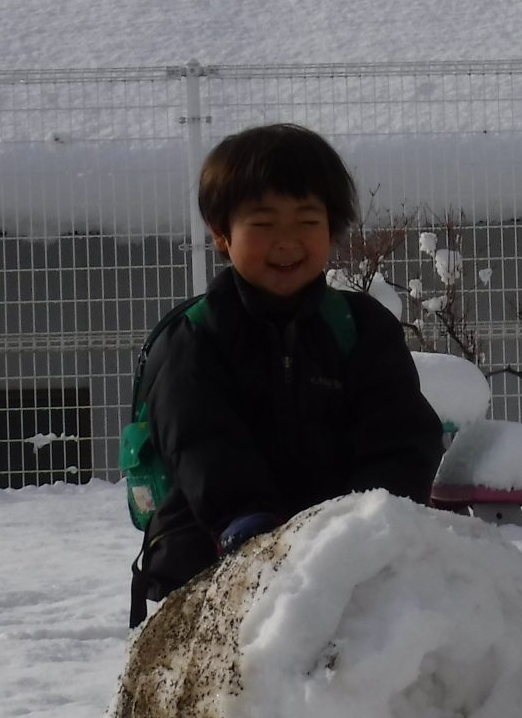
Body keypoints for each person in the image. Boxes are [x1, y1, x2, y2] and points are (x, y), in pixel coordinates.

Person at [129, 122, 444, 625]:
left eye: (307, 221)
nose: (287, 242)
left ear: (331, 228)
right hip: (213, 562)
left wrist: (367, 524)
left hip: (343, 561)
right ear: (221, 234)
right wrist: (251, 530)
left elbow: (399, 435)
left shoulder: (361, 329)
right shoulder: (196, 337)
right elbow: (201, 442)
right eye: (263, 223)